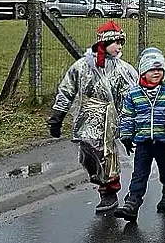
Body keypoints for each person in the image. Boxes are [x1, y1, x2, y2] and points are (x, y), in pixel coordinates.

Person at [48, 21, 138, 214]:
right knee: (88, 154)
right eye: (115, 43)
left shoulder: (123, 69)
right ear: (103, 43)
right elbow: (67, 90)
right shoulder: (82, 67)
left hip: (111, 120)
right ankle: (99, 180)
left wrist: (132, 125)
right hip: (87, 117)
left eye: (121, 43)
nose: (119, 47)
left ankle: (109, 193)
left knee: (108, 155)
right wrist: (58, 115)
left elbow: (133, 96)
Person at [114, 48, 165, 222]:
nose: (156, 73)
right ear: (143, 71)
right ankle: (132, 202)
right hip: (143, 141)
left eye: (160, 70)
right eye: (152, 69)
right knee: (139, 173)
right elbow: (127, 115)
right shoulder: (133, 93)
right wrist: (126, 135)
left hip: (163, 140)